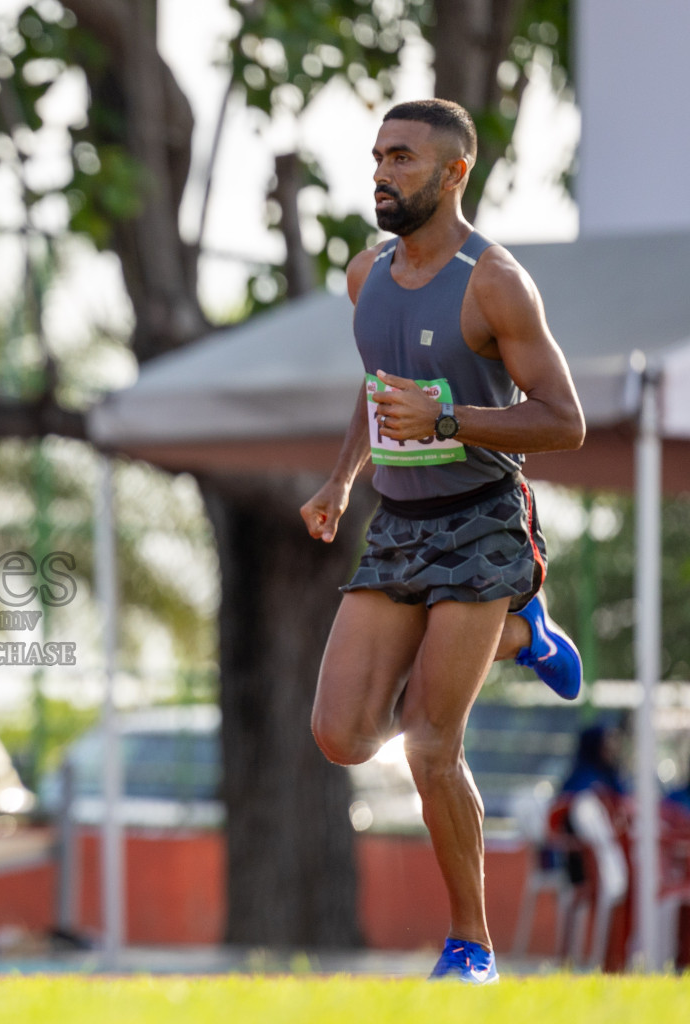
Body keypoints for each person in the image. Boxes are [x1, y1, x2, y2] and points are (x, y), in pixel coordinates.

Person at [300, 98, 587, 985]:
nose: (383, 172)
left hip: (484, 521)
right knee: (341, 736)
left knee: (430, 742)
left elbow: (565, 422)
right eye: (378, 155)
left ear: (455, 172)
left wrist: (454, 416)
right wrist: (343, 479)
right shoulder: (365, 275)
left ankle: (472, 948)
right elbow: (375, 387)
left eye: (405, 158)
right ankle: (517, 634)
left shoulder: (494, 281)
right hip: (399, 525)